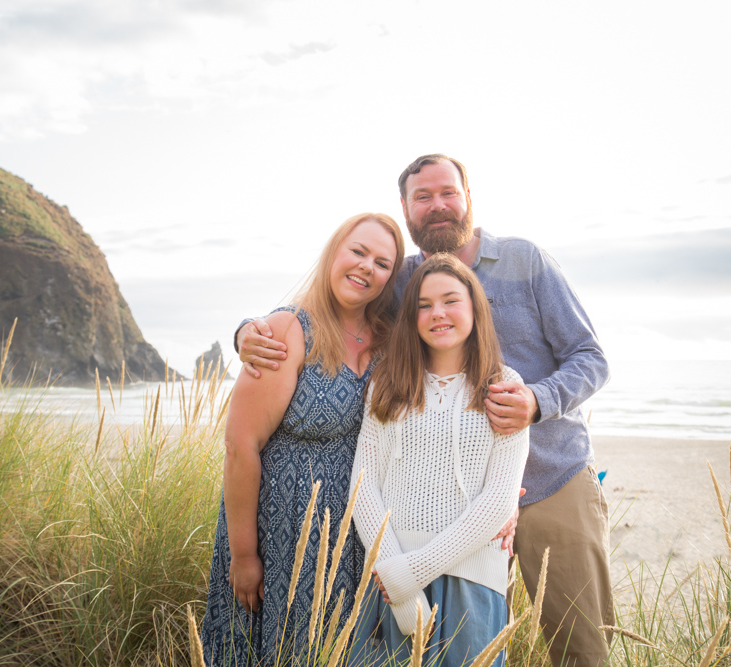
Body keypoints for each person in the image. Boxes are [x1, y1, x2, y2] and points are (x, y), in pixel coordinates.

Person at [237, 155, 612, 667]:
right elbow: (338, 305)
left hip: (550, 481)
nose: (437, 206)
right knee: (457, 643)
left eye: (447, 193)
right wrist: (253, 328)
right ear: (406, 210)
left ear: (468, 197)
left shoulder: (526, 261)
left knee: (581, 646)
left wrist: (536, 401)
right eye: (422, 197)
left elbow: (591, 358)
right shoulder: (406, 279)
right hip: (445, 510)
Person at [201, 212, 405, 665]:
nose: (367, 266)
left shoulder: (389, 337)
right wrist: (245, 555)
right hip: (281, 530)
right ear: (334, 252)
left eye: (382, 262)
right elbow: (240, 448)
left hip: (352, 533)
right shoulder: (288, 330)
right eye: (358, 251)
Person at [348, 253, 528, 667]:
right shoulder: (388, 383)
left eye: (450, 300)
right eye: (424, 305)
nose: (437, 313)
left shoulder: (504, 385)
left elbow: (499, 500)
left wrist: (416, 570)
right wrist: (395, 571)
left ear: (474, 308)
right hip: (389, 580)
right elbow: (364, 484)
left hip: (471, 579)